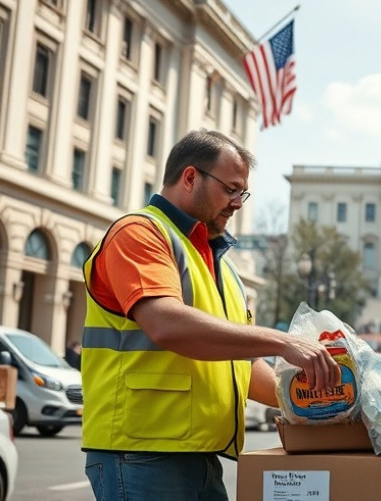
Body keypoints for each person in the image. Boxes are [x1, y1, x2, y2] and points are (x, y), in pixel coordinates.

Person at [81, 129, 342, 501]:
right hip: (140, 453)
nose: (238, 202)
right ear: (190, 178)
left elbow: (245, 365)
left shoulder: (222, 266)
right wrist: (284, 342)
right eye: (231, 189)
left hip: (200, 455)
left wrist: (323, 399)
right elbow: (166, 323)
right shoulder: (139, 232)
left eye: (243, 193)